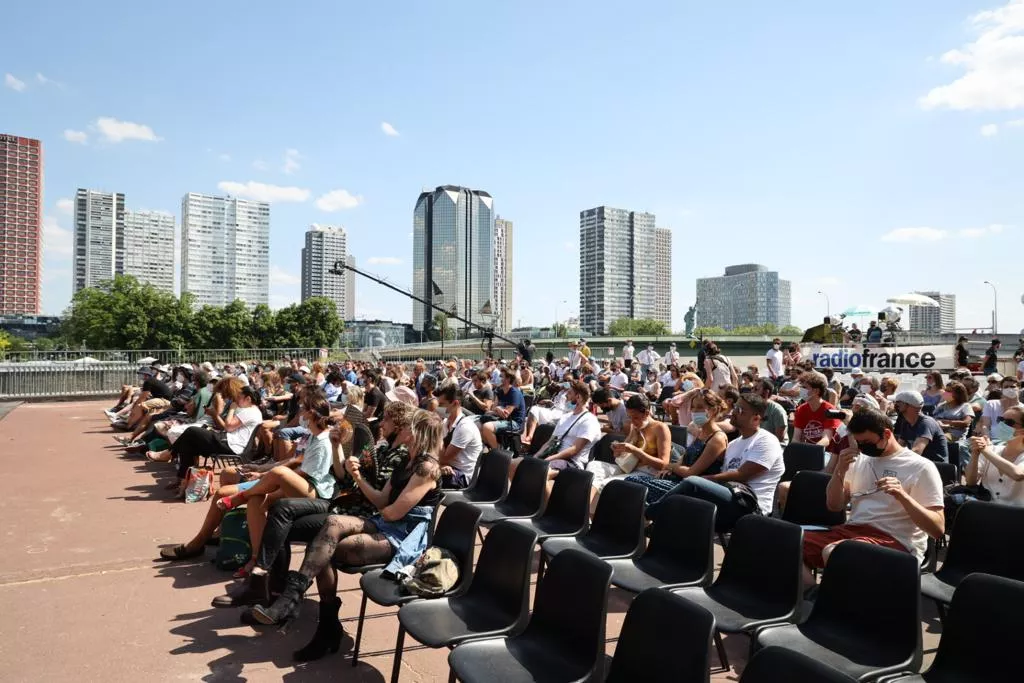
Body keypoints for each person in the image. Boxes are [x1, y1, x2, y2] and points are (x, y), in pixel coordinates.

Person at [244, 409, 442, 668]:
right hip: (385, 521)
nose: (402, 428)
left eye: (409, 426)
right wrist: (359, 478)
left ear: (415, 432)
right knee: (329, 527)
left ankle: (316, 621)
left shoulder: (427, 467)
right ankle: (297, 601)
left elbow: (393, 512)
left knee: (327, 543)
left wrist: (365, 504)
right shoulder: (409, 462)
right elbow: (383, 501)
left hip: (404, 536)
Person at [803, 409, 944, 586]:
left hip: (897, 541)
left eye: (867, 442)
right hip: (853, 532)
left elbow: (937, 529)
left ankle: (831, 603)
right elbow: (834, 506)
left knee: (837, 552)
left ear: (886, 434)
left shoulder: (920, 467)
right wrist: (839, 470)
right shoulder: (860, 459)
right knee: (789, 543)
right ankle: (815, 598)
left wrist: (902, 496)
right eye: (859, 443)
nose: (862, 448)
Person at [645, 393, 784, 531]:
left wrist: (704, 480)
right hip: (727, 497)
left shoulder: (766, 441)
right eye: (735, 407)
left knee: (692, 484)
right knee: (681, 500)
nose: (734, 412)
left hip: (750, 505)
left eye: (740, 410)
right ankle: (654, 529)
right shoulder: (734, 444)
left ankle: (646, 515)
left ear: (756, 418)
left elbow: (742, 475)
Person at [627, 389, 729, 505]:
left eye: (700, 407)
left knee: (633, 482)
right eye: (693, 407)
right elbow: (683, 460)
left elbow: (691, 472)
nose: (694, 411)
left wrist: (671, 467)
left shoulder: (717, 438)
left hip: (693, 490)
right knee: (632, 484)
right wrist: (668, 469)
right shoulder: (700, 433)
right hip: (679, 480)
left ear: (713, 410)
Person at [165, 385, 263, 496]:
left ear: (248, 399)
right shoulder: (253, 411)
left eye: (239, 397)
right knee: (189, 443)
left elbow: (228, 426)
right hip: (228, 441)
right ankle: (183, 481)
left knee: (192, 431)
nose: (236, 400)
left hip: (232, 444)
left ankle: (170, 454)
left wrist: (232, 408)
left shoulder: (250, 411)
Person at [586, 395, 670, 510]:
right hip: (629, 468)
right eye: (630, 417)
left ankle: (589, 514)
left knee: (608, 484)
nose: (632, 422)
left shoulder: (660, 428)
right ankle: (586, 511)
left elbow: (664, 464)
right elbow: (622, 455)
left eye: (635, 417)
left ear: (646, 413)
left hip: (647, 472)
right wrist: (617, 451)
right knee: (594, 466)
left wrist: (634, 450)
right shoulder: (635, 427)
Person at [520, 381, 602, 478]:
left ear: (578, 397)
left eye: (570, 393)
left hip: (572, 463)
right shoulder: (565, 417)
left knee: (538, 473)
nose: (566, 395)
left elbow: (575, 450)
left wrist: (548, 459)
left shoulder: (589, 420)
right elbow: (550, 442)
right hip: (554, 457)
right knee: (516, 464)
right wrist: (536, 457)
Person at [964, 408, 1024, 507]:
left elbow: (1017, 474)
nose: (1002, 424)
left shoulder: (988, 451)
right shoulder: (991, 450)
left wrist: (985, 450)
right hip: (986, 509)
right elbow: (970, 481)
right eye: (1000, 420)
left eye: (1009, 422)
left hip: (1016, 516)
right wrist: (975, 454)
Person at [436, 385, 482, 489]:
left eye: (442, 404)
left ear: (455, 403)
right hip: (446, 468)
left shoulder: (465, 427)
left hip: (461, 476)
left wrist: (436, 432)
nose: (438, 407)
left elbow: (444, 458)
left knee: (425, 476)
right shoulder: (446, 422)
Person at [891, 391, 949, 463]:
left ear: (907, 405)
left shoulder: (926, 423)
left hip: (937, 468)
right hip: (920, 465)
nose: (895, 405)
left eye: (898, 402)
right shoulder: (906, 423)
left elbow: (917, 451)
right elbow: (899, 448)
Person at [479, 368, 527, 450]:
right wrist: (498, 409)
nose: (499, 378)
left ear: (508, 379)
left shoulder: (514, 393)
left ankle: (497, 452)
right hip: (502, 419)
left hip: (514, 423)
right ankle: (493, 447)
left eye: (501, 376)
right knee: (477, 425)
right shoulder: (500, 391)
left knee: (487, 427)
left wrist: (497, 409)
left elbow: (506, 414)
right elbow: (493, 409)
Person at [793, 372, 840, 448]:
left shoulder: (830, 410)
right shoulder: (800, 410)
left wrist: (813, 451)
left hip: (827, 453)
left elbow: (826, 439)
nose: (801, 390)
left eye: (805, 387)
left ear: (816, 391)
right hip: (808, 451)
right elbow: (796, 438)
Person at [755, 378, 789, 445]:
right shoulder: (752, 408)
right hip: (757, 443)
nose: (752, 391)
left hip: (775, 446)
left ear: (766, 392)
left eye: (756, 389)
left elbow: (779, 438)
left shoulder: (777, 411)